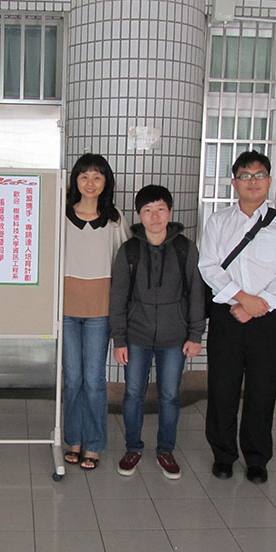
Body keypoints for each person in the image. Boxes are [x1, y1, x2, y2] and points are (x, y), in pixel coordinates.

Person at [198, 150, 276, 484]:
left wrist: (262, 303)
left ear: (269, 181)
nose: (252, 182)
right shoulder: (218, 221)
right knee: (222, 388)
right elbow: (208, 266)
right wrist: (242, 299)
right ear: (234, 182)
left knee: (262, 390)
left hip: (266, 319)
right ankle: (223, 455)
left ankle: (257, 458)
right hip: (227, 315)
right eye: (245, 176)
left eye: (259, 175)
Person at [110, 185, 205, 479]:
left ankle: (165, 450)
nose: (155, 216)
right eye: (148, 210)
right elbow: (118, 297)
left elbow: (197, 294)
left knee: (170, 395)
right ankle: (133, 448)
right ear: (139, 214)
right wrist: (119, 339)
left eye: (160, 209)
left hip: (175, 337)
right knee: (133, 394)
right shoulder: (129, 250)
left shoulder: (185, 249)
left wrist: (195, 335)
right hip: (136, 337)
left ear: (170, 212)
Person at [62, 153, 128, 471]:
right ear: (75, 180)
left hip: (100, 311)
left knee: (94, 380)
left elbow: (125, 264)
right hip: (66, 310)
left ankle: (94, 444)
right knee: (72, 379)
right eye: (84, 176)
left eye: (97, 176)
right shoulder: (61, 215)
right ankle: (73, 440)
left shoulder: (114, 220)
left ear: (106, 182)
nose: (90, 182)